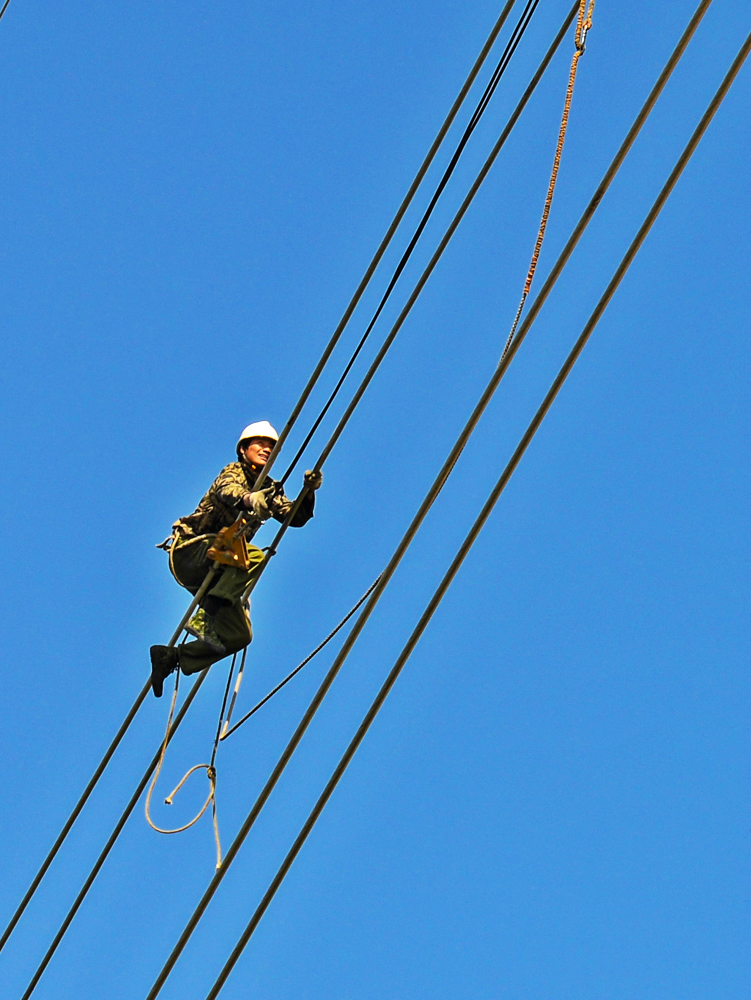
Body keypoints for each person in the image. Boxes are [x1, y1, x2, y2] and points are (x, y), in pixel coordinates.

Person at [149, 421, 323, 697]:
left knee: (239, 635)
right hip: (192, 549)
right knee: (254, 556)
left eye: (271, 446)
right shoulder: (233, 471)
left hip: (219, 568)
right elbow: (227, 491)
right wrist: (251, 500)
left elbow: (295, 517)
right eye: (260, 443)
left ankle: (172, 657)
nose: (266, 449)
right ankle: (209, 611)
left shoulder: (270, 487)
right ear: (243, 450)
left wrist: (309, 491)